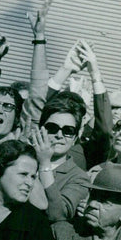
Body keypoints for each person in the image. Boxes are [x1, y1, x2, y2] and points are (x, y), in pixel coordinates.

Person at [28, 92, 91, 222]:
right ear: (41, 129)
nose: (59, 135)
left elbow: (57, 214)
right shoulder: (22, 160)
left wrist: (45, 164)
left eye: (68, 131)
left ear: (75, 138)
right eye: (52, 128)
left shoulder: (80, 178)